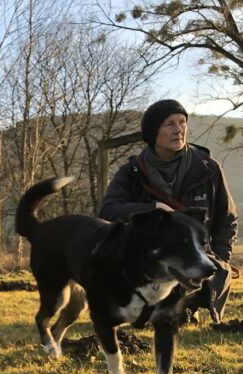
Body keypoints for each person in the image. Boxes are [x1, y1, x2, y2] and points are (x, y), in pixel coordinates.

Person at [100, 99, 239, 323]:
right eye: (170, 124)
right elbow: (108, 211)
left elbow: (227, 219)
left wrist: (220, 260)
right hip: (150, 269)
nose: (179, 130)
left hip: (198, 261)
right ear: (153, 132)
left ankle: (188, 305)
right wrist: (152, 208)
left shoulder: (208, 168)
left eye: (182, 122)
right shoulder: (131, 173)